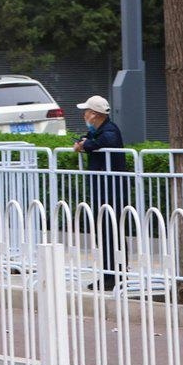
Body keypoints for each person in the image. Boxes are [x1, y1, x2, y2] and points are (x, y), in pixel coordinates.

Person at [73, 95, 130, 292]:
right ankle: (108, 275)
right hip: (103, 190)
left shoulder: (109, 131)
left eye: (87, 112)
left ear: (95, 115)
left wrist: (85, 145)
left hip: (112, 191)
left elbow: (106, 142)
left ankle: (115, 276)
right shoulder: (98, 131)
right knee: (104, 232)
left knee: (111, 232)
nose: (84, 115)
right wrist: (84, 142)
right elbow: (89, 141)